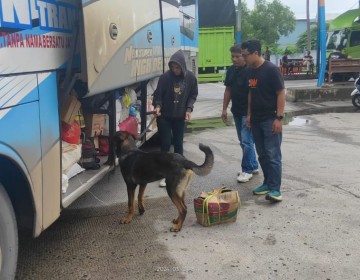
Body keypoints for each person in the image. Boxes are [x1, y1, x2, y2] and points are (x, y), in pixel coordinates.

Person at [241, 39, 286, 202]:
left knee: (273, 154)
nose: (243, 58)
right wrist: (249, 115)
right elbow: (250, 93)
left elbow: (281, 93)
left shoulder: (271, 70)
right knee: (262, 155)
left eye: (246, 55)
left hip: (270, 119)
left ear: (255, 53)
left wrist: (279, 118)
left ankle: (275, 189)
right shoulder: (250, 71)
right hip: (256, 120)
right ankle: (267, 183)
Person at [152, 50, 198, 187]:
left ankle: (179, 172)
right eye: (173, 67)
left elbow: (193, 95)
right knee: (165, 144)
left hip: (180, 116)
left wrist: (189, 109)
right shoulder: (165, 77)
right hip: (164, 116)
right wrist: (158, 106)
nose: (175, 70)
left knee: (178, 144)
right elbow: (158, 94)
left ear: (183, 66)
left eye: (177, 67)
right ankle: (165, 174)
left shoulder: (190, 78)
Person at [221, 44, 259, 183]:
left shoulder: (251, 71)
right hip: (236, 111)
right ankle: (253, 165)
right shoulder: (231, 71)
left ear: (244, 56)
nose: (235, 59)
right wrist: (224, 109)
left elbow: (252, 93)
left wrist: (250, 114)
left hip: (247, 112)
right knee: (243, 141)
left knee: (246, 141)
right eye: (233, 57)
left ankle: (247, 170)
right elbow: (228, 90)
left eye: (238, 56)